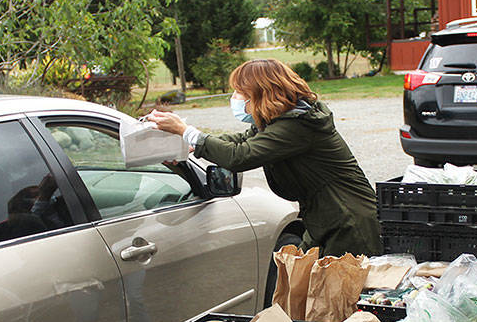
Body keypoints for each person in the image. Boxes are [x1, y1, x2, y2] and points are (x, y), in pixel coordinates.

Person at [147, 59, 382, 257]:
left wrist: (188, 133)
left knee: (340, 301)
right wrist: (188, 143)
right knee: (307, 288)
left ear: (262, 93)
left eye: (241, 92)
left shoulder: (298, 126)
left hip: (347, 221)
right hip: (327, 218)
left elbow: (240, 156)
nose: (236, 98)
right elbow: (240, 140)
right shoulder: (281, 120)